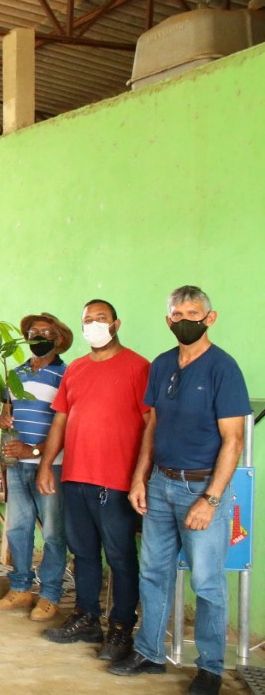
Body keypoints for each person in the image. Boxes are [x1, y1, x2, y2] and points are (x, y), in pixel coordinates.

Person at [110, 286, 250, 695]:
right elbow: (152, 425)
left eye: (194, 312)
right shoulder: (162, 364)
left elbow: (234, 441)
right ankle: (149, 653)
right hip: (160, 485)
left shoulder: (223, 368)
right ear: (168, 320)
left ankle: (210, 667)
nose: (185, 318)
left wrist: (210, 499)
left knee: (206, 582)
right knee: (153, 573)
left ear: (211, 318)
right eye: (178, 313)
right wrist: (140, 477)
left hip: (201, 488)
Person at [38, 299, 149, 660]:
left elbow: (152, 424)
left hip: (116, 481)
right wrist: (46, 465)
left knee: (120, 558)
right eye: (88, 320)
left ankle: (120, 628)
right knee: (83, 554)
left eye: (101, 319)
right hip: (75, 476)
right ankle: (87, 617)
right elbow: (60, 421)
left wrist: (140, 476)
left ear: (116, 323)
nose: (94, 325)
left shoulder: (137, 367)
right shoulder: (77, 369)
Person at [0, 312, 72, 622]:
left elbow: (67, 426)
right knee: (17, 529)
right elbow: (6, 412)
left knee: (52, 532)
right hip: (16, 463)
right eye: (33, 332)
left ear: (59, 339)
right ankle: (21, 586)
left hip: (50, 466)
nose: (38, 336)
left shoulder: (67, 375)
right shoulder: (16, 373)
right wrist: (2, 420)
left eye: (46, 332)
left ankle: (50, 593)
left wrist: (36, 451)